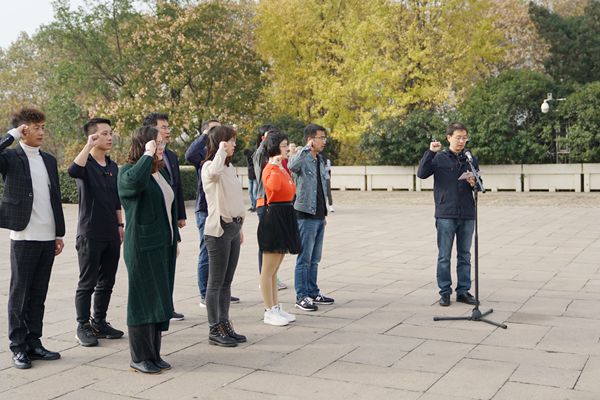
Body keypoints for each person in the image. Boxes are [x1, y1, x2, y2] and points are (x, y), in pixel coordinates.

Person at [0, 108, 66, 369]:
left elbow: (54, 197)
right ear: (24, 130)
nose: (41, 132)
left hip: (47, 236)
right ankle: (18, 347)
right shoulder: (10, 157)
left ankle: (34, 343)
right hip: (24, 235)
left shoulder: (48, 160)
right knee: (20, 294)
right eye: (36, 127)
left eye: (42, 127)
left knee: (38, 293)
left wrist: (58, 233)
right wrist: (12, 135)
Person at [118, 125, 179, 374]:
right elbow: (133, 185)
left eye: (162, 143)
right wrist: (147, 154)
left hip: (163, 245)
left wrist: (175, 240)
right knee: (142, 299)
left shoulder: (159, 173)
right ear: (144, 145)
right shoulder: (128, 171)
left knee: (159, 298)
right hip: (142, 246)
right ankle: (139, 357)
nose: (161, 147)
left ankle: (153, 354)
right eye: (156, 143)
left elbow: (169, 208)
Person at [68, 118, 124, 347]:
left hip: (111, 232)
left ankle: (99, 322)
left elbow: (116, 200)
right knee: (87, 282)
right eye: (104, 133)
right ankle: (82, 326)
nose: (109, 137)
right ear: (92, 136)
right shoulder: (85, 164)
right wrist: (88, 146)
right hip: (90, 233)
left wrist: (120, 226)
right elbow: (73, 171)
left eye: (110, 133)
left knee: (107, 281)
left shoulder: (112, 166)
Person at [416, 122, 479, 307]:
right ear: (449, 138)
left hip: (467, 213)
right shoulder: (439, 158)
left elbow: (478, 183)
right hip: (445, 214)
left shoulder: (469, 159)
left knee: (464, 255)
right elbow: (422, 173)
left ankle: (463, 291)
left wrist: (474, 182)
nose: (461, 141)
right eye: (458, 137)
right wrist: (430, 152)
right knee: (444, 256)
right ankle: (444, 292)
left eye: (464, 138)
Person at [185, 119, 240, 307]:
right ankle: (205, 294)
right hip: (207, 211)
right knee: (207, 254)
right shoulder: (206, 159)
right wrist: (206, 134)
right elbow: (190, 155)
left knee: (225, 265)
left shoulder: (227, 163)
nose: (232, 144)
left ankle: (220, 295)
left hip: (228, 218)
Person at [201, 125, 246, 347]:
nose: (234, 145)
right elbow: (213, 174)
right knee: (215, 283)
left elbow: (234, 199)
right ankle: (214, 328)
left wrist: (240, 227)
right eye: (231, 140)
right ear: (221, 142)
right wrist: (220, 149)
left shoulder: (229, 167)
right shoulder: (210, 166)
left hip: (233, 228)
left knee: (227, 282)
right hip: (218, 230)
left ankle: (224, 324)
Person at [143, 113, 186, 321]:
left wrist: (180, 215)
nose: (167, 131)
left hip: (170, 219)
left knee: (171, 263)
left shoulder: (171, 156)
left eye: (168, 127)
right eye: (163, 127)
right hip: (153, 224)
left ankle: (167, 305)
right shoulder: (143, 159)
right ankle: (157, 306)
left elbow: (176, 188)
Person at [289, 123, 335, 312]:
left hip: (318, 214)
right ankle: (301, 296)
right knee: (304, 258)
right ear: (310, 140)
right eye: (320, 138)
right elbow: (291, 165)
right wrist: (304, 150)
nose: (324, 141)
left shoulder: (320, 160)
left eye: (324, 138)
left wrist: (324, 213)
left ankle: (313, 292)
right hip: (304, 214)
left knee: (315, 258)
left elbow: (322, 187)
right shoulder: (302, 158)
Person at [257, 132, 300, 326]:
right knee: (268, 269)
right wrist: (275, 166)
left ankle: (275, 306)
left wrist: (281, 167)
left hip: (285, 214)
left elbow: (291, 190)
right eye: (283, 145)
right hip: (274, 217)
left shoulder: (282, 167)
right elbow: (273, 188)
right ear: (274, 148)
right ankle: (269, 310)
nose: (287, 148)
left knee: (274, 269)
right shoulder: (269, 168)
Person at [252, 125, 287, 290]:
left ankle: (271, 276)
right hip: (264, 203)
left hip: (276, 204)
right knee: (267, 245)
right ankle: (264, 277)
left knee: (276, 245)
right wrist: (265, 140)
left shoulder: (276, 159)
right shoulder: (260, 156)